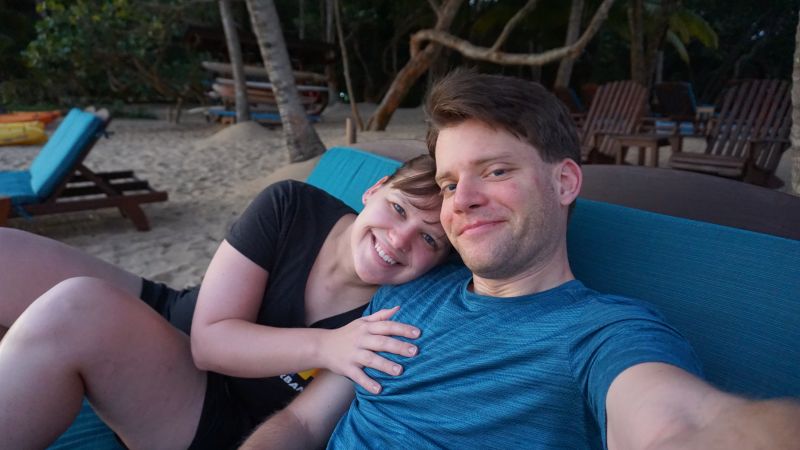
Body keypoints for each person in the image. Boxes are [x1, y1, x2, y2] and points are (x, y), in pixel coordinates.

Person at [240, 71, 800, 449]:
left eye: (496, 171)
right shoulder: (407, 294)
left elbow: (681, 421)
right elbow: (303, 422)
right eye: (449, 183)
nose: (462, 199)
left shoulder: (605, 334)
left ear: (565, 182)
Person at [0, 154, 452, 449]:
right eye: (399, 208)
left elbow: (300, 424)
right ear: (374, 189)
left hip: (214, 412)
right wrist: (325, 346)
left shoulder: (396, 314)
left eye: (429, 239)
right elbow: (209, 337)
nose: (399, 239)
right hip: (176, 318)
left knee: (78, 309)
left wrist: (335, 348)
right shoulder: (292, 206)